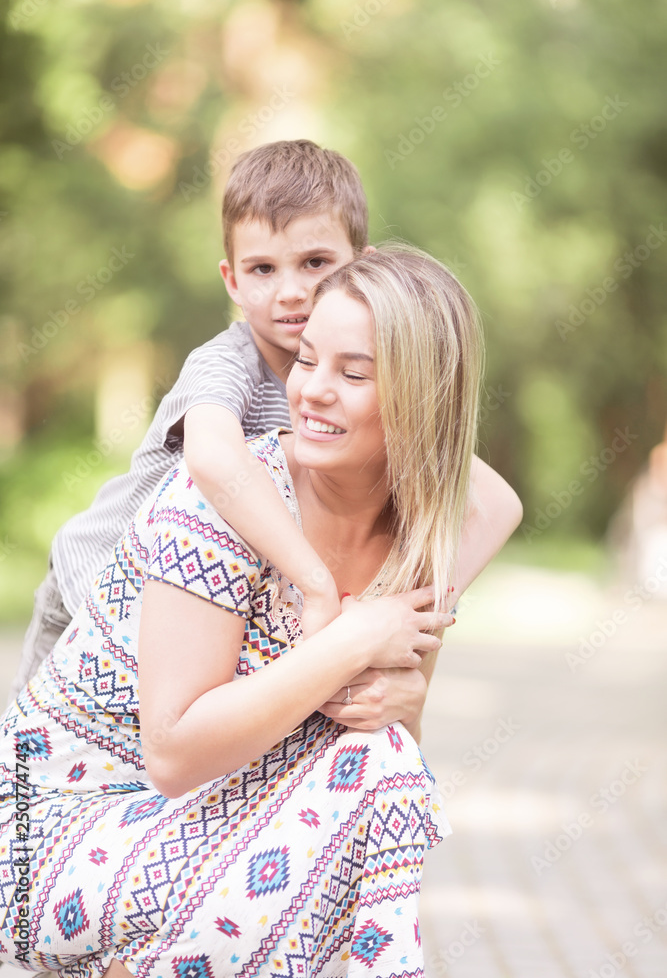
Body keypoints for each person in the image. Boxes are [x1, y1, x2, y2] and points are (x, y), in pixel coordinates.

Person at [0, 244, 513, 975]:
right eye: (305, 360)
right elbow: (173, 754)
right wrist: (355, 636)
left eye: (354, 373)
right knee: (373, 775)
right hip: (43, 835)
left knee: (382, 765)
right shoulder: (224, 501)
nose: (312, 390)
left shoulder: (415, 544)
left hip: (184, 832)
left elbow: (390, 749)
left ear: (421, 396)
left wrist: (399, 697)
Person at [9, 140, 520, 732]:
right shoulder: (227, 363)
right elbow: (213, 460)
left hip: (197, 607)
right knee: (48, 753)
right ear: (231, 279)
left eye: (315, 263)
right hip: (93, 592)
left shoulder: (372, 375)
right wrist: (316, 585)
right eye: (262, 269)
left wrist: (403, 612)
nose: (291, 292)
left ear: (362, 264)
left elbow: (494, 502)